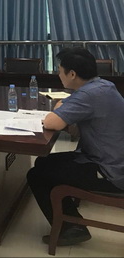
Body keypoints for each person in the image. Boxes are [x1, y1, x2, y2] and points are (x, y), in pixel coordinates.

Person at [27, 48, 124, 247]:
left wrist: (61, 106)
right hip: (113, 159)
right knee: (44, 162)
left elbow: (52, 122)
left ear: (72, 74)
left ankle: (71, 229)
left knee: (36, 174)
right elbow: (76, 127)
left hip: (109, 171)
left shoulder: (89, 94)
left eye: (59, 70)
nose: (58, 75)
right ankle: (70, 219)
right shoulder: (105, 85)